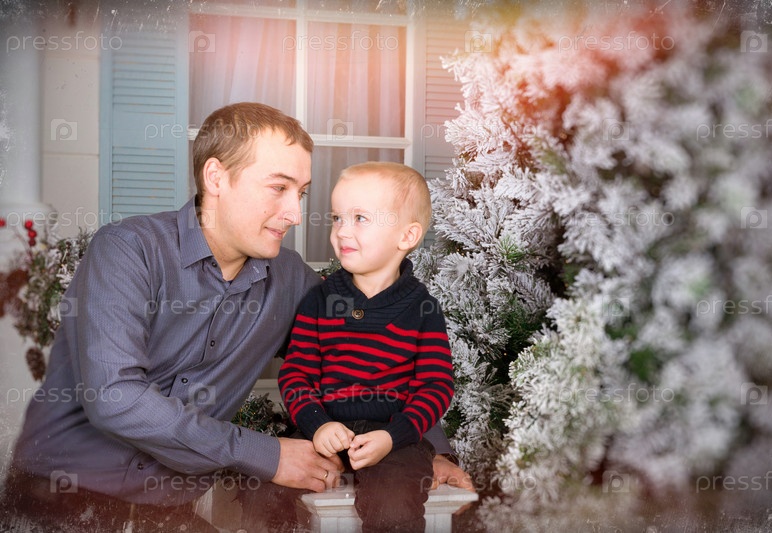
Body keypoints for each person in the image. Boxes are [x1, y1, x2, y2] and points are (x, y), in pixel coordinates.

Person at [0, 103, 470, 533]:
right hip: (57, 504)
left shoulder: (290, 280)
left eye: (302, 193)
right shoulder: (128, 250)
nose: (295, 214)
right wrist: (267, 455)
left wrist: (424, 449)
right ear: (216, 178)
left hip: (167, 516)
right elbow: (115, 397)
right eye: (279, 188)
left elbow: (368, 348)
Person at [276, 162, 454, 532]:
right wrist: (317, 424)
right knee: (268, 484)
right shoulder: (320, 300)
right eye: (337, 218)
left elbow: (435, 386)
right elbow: (296, 374)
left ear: (407, 236)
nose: (342, 230)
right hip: (324, 430)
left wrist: (394, 435)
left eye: (360, 218)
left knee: (395, 500)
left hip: (394, 438)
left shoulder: (422, 309)